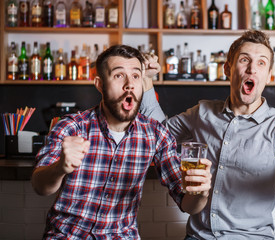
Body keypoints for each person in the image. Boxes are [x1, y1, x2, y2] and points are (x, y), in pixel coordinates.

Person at [140, 30, 275, 239]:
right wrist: (146, 81)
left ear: (269, 76)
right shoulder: (201, 113)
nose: (252, 68)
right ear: (227, 68)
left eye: (261, 63)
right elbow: (158, 133)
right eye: (244, 59)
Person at [31, 45, 212, 239]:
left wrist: (200, 193)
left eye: (135, 76)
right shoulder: (71, 127)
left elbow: (187, 203)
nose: (129, 84)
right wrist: (60, 167)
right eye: (118, 76)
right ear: (100, 84)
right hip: (67, 235)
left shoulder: (156, 134)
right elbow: (40, 186)